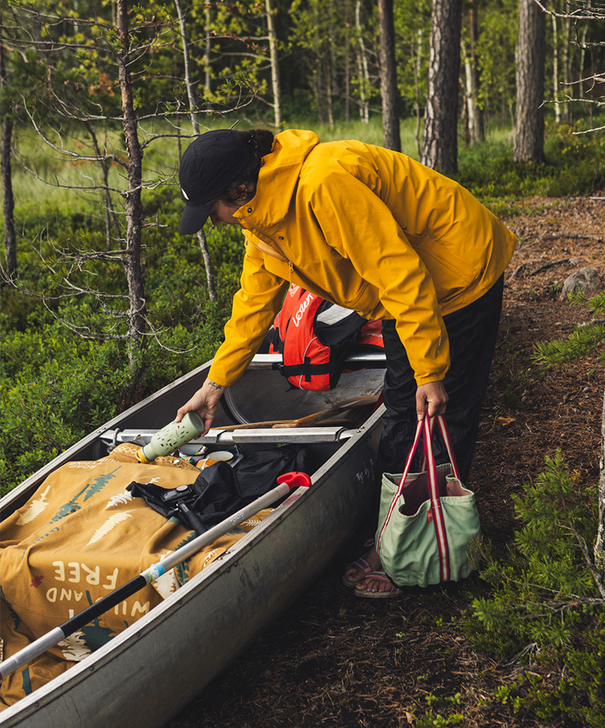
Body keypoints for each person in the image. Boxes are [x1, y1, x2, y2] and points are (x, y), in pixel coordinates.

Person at [173, 128, 516, 599]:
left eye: (213, 209)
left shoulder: (322, 184)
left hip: (456, 272)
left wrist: (431, 372)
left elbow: (401, 274)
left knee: (438, 410)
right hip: (405, 291)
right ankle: (392, 536)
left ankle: (412, 550)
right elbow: (254, 301)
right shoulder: (263, 220)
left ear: (240, 188)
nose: (214, 221)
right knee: (402, 408)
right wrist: (216, 382)